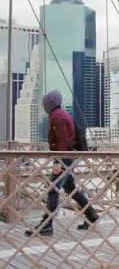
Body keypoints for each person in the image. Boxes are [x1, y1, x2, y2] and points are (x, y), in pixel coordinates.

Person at [25, 90, 98, 237]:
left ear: (49, 103)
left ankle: (47, 224)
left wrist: (58, 161)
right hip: (67, 157)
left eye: (45, 102)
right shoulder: (62, 114)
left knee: (53, 189)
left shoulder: (57, 117)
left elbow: (62, 140)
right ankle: (91, 214)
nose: (44, 105)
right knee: (70, 188)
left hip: (63, 158)